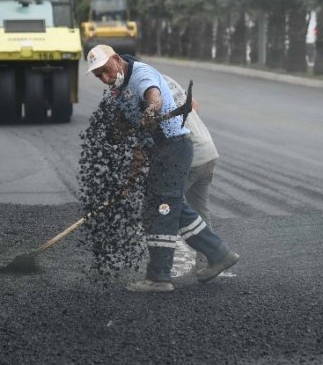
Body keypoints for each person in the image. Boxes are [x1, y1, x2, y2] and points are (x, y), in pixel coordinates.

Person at [86, 44, 239, 292]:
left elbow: (154, 97)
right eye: (98, 76)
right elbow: (140, 143)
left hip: (174, 148)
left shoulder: (141, 75)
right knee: (161, 206)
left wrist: (150, 111)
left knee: (164, 209)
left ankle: (160, 277)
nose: (105, 78)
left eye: (106, 70)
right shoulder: (121, 92)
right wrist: (130, 179)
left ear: (116, 59)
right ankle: (218, 253)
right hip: (162, 151)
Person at [163, 74, 218, 271]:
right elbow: (194, 104)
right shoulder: (167, 80)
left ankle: (161, 267)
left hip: (191, 157)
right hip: (208, 151)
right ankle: (210, 260)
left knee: (164, 208)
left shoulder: (147, 88)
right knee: (201, 210)